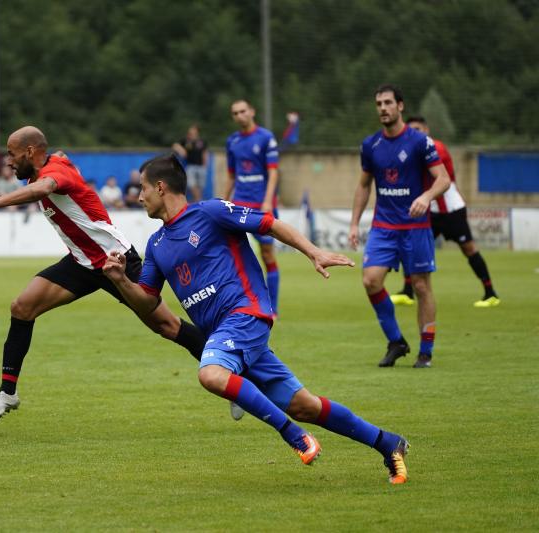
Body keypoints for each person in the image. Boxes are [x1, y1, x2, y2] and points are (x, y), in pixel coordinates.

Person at [102, 153, 410, 484]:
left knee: (211, 374)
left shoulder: (211, 212)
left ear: (160, 187)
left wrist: (314, 252)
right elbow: (147, 303)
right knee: (304, 405)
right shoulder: (157, 243)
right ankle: (387, 442)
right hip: (227, 333)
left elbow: (271, 223)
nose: (139, 196)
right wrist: (120, 280)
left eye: (143, 188)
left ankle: (293, 435)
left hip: (245, 314)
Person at [0, 126, 208, 422]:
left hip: (115, 260)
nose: (8, 162)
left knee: (167, 326)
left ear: (30, 152)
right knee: (22, 307)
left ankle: (230, 371)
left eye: (11, 154)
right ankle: (7, 393)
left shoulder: (54, 173)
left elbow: (44, 188)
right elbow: (52, 167)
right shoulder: (51, 165)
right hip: (82, 262)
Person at [349, 85, 451, 369]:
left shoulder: (420, 142)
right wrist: (354, 223)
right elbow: (363, 185)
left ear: (400, 106)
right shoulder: (370, 145)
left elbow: (442, 179)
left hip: (416, 227)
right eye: (379, 103)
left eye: (388, 103)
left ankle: (426, 351)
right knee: (370, 280)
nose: (383, 108)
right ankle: (396, 341)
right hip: (384, 226)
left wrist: (426, 196)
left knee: (420, 286)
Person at [390, 116, 500, 308]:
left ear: (426, 129)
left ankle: (490, 293)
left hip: (451, 210)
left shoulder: (436, 147)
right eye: (411, 130)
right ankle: (408, 292)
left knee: (469, 249)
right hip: (429, 211)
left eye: (418, 129)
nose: (414, 133)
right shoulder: (411, 149)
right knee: (412, 248)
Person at [224, 100, 282, 318]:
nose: (239, 115)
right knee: (233, 255)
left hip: (261, 204)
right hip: (239, 204)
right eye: (235, 113)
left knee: (268, 253)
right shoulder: (232, 141)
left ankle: (272, 308)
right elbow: (231, 175)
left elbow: (274, 172)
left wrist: (268, 201)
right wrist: (224, 200)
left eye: (242, 111)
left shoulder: (266, 138)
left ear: (252, 112)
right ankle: (240, 304)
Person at [172, 124, 209, 202]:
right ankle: (199, 200)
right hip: (190, 166)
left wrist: (205, 165)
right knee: (191, 184)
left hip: (201, 166)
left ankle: (197, 201)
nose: (192, 132)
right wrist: (181, 150)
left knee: (200, 186)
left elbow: (205, 153)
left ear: (197, 132)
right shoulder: (185, 141)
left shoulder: (202, 141)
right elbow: (175, 145)